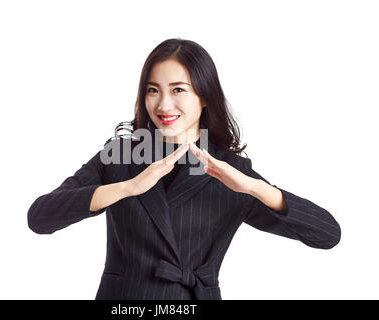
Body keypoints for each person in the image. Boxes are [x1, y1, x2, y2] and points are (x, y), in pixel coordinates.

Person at [27, 38, 341, 300]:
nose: (163, 105)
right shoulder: (119, 155)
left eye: (178, 90)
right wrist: (127, 188)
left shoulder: (232, 171)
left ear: (205, 96)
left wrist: (254, 188)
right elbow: (40, 218)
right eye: (153, 90)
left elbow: (327, 234)